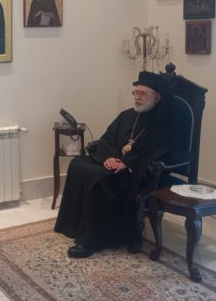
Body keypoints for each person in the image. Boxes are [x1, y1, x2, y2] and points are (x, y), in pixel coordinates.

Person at [54, 71, 181, 258]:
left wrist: (127, 163)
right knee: (77, 164)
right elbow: (108, 139)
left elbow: (157, 152)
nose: (137, 98)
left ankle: (91, 240)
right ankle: (72, 226)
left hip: (137, 171)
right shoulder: (127, 115)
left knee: (99, 179)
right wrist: (109, 157)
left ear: (157, 97)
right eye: (136, 93)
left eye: (143, 94)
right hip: (115, 163)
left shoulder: (163, 123)